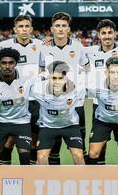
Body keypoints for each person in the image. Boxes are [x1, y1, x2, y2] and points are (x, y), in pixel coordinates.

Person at [38, 12, 89, 164]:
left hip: (75, 102)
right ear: (52, 29)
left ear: (69, 29)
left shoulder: (77, 46)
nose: (60, 29)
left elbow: (87, 68)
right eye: (57, 26)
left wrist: (78, 85)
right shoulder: (44, 47)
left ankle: (83, 181)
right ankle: (54, 180)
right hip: (52, 101)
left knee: (80, 147)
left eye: (64, 26)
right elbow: (41, 72)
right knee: (53, 147)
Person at [85, 19, 118, 165]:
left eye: (110, 32)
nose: (107, 36)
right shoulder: (89, 52)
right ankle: (101, 176)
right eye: (103, 33)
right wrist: (49, 41)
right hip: (99, 104)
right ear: (98, 35)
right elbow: (67, 48)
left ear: (115, 34)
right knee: (100, 144)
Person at [0, 15, 43, 164]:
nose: (24, 30)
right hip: (12, 100)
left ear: (31, 29)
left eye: (27, 26)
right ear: (15, 29)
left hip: (35, 101)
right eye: (20, 27)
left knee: (32, 140)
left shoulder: (41, 45)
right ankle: (3, 175)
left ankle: (28, 174)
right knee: (9, 141)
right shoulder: (5, 45)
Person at [0, 48, 33, 165]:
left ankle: (26, 183)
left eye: (11, 63)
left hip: (22, 122)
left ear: (16, 63)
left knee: (25, 159)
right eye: (3, 63)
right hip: (1, 122)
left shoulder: (27, 78)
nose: (7, 66)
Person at [31, 61, 86, 165]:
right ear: (49, 77)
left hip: (70, 126)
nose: (56, 82)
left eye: (60, 78)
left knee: (78, 156)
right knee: (41, 158)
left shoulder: (78, 89)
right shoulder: (38, 90)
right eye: (53, 78)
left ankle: (82, 180)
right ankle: (41, 181)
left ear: (65, 78)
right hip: (47, 126)